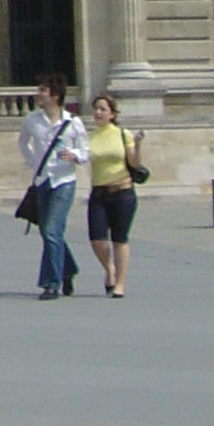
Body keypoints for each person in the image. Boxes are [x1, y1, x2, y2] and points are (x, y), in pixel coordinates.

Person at [19, 74, 88, 299]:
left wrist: (74, 155)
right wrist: (33, 161)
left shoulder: (73, 122)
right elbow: (23, 143)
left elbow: (85, 151)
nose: (37, 94)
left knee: (51, 230)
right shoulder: (32, 120)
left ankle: (52, 283)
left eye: (42, 90)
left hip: (64, 181)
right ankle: (67, 270)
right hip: (43, 180)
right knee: (50, 231)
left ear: (55, 96)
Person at [86, 93, 145, 297]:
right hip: (99, 192)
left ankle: (120, 283)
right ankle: (109, 268)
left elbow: (134, 163)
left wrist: (137, 146)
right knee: (97, 239)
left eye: (103, 109)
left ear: (112, 113)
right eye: (96, 109)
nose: (98, 113)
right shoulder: (90, 137)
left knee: (119, 239)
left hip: (122, 192)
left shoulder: (122, 134)